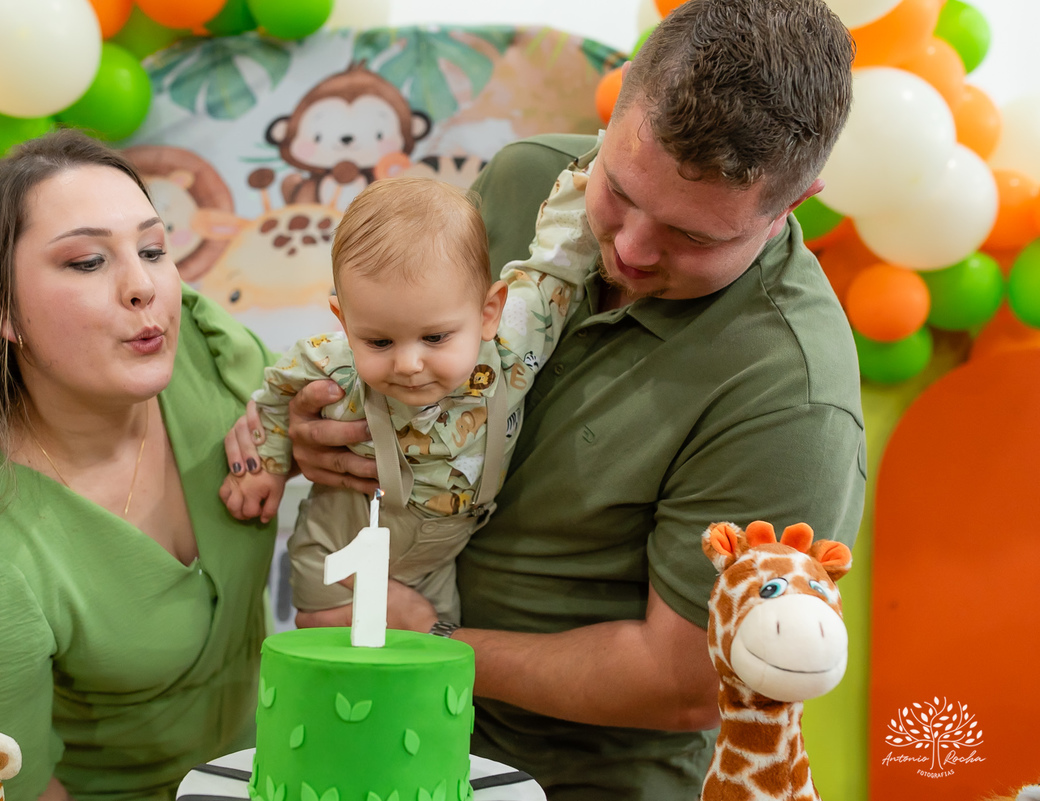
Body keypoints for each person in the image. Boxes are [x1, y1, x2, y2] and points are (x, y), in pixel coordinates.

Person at [232, 1, 867, 798]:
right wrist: (328, 419)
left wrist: (431, 638)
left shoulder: (790, 392)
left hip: (579, 776)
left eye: (693, 237)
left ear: (794, 202)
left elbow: (684, 681)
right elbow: (400, 338)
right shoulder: (528, 176)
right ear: (620, 108)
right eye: (620, 188)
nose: (629, 248)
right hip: (386, 730)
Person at [0, 129, 279, 801]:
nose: (143, 287)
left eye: (152, 248)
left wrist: (301, 440)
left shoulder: (210, 352)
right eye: (86, 261)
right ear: (2, 312)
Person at [228, 175, 598, 623]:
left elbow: (558, 263)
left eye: (434, 337)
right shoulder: (330, 362)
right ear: (344, 321)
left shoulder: (512, 345)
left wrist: (594, 170)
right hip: (339, 543)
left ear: (488, 313)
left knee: (431, 670)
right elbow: (273, 395)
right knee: (329, 651)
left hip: (436, 566)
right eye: (379, 342)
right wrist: (267, 463)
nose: (407, 364)